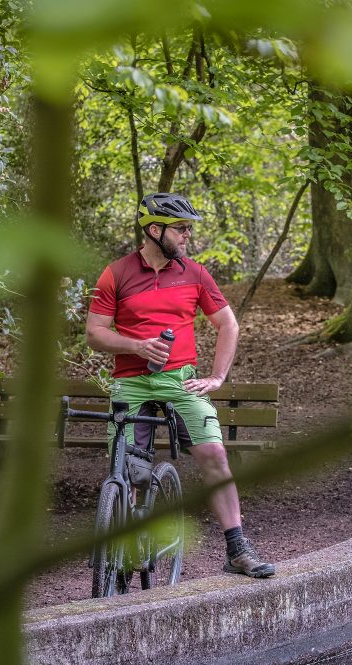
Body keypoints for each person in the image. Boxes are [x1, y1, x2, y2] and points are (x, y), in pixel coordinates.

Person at [86, 192, 276, 579]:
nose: (188, 235)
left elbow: (228, 324)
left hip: (180, 382)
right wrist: (137, 345)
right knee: (127, 467)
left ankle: (237, 549)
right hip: (131, 382)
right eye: (181, 229)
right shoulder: (116, 273)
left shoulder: (196, 273)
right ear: (155, 231)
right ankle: (128, 542)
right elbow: (95, 334)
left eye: (189, 228)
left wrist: (218, 377)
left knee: (215, 455)